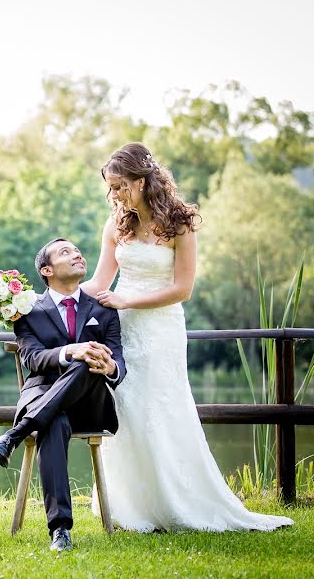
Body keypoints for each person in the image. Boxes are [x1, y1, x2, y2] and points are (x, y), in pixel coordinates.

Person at [81, 142, 293, 532]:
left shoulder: (180, 222)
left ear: (143, 182)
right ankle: (132, 504)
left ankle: (178, 500)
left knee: (163, 408)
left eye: (120, 186)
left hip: (161, 330)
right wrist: (52, 298)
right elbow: (99, 282)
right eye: (110, 188)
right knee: (127, 409)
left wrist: (128, 299)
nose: (114, 195)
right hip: (124, 333)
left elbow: (182, 289)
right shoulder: (116, 224)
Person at [0, 237, 126, 552]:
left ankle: (15, 433)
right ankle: (60, 530)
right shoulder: (27, 312)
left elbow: (119, 362)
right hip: (45, 397)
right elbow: (33, 359)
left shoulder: (103, 309)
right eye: (66, 252)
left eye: (77, 250)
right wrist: (71, 350)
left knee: (88, 360)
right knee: (54, 421)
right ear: (47, 270)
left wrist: (109, 367)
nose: (77, 253)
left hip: (89, 403)